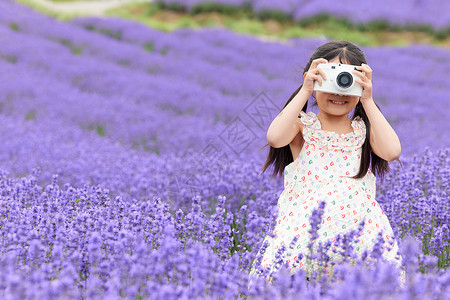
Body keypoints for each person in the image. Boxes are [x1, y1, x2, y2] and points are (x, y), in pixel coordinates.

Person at [248, 40, 406, 290]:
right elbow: (275, 137)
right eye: (331, 77)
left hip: (360, 237)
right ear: (313, 78)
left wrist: (367, 100)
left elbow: (392, 151)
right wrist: (304, 90)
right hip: (305, 237)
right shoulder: (303, 126)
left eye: (349, 79)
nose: (340, 90)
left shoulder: (363, 131)